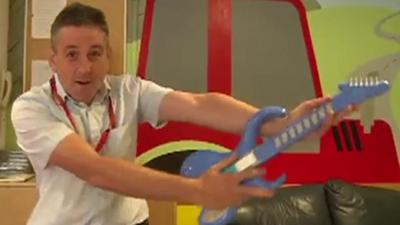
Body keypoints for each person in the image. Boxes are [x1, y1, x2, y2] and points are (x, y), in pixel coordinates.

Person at [11, 3, 355, 225]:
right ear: (53, 60)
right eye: (72, 54)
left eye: (95, 53)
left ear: (108, 56)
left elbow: (198, 105)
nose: (84, 66)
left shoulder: (129, 90)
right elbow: (97, 171)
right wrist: (199, 191)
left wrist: (280, 123)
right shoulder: (31, 108)